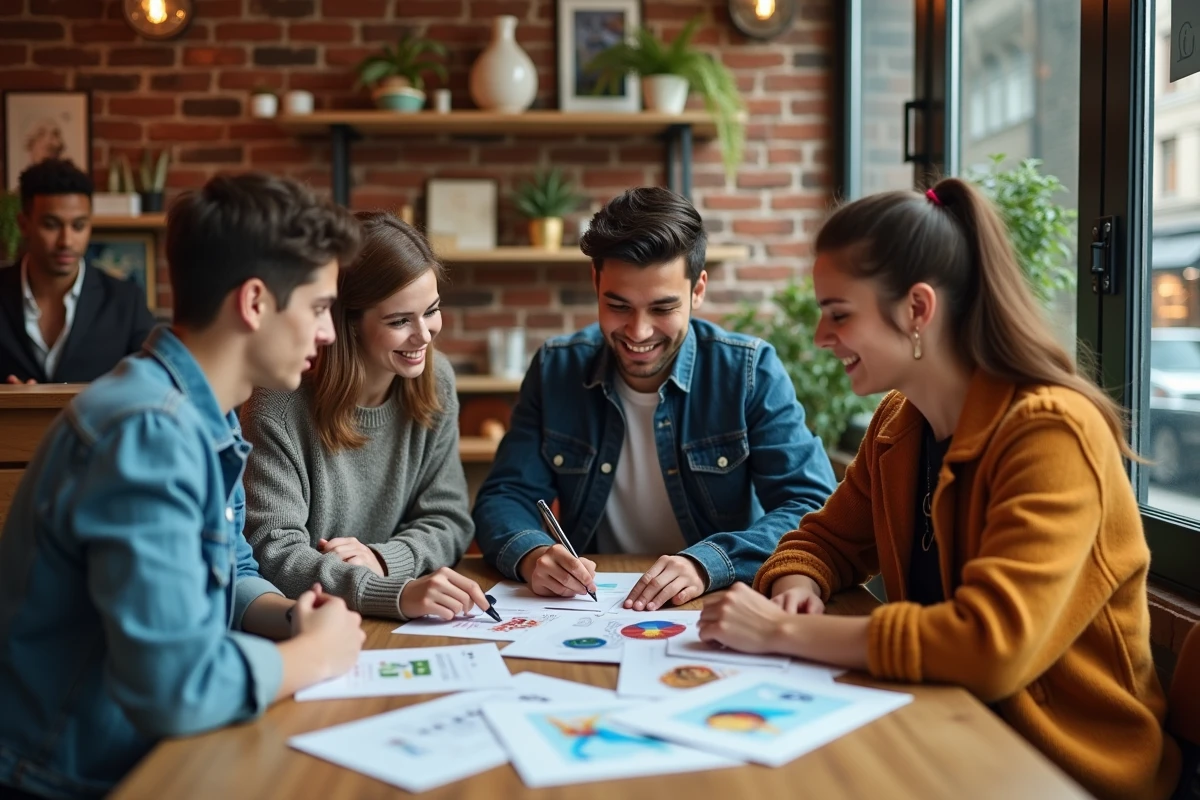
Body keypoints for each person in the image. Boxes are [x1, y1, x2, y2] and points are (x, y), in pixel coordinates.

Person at [696, 179, 1181, 800]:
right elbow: (823, 540)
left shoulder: (1052, 432)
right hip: (940, 728)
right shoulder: (900, 422)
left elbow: (989, 646)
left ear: (917, 309)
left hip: (1061, 771)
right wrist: (797, 588)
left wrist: (780, 633)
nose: (821, 336)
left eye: (839, 313)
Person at [0, 173, 367, 800]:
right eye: (319, 307)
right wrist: (315, 657)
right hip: (70, 779)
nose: (329, 333)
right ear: (254, 302)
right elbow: (176, 687)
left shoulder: (202, 409)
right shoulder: (150, 434)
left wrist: (291, 617)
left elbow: (231, 564)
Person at [473, 187, 837, 612]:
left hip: (716, 601)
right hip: (594, 607)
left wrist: (706, 563)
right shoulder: (557, 368)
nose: (639, 332)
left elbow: (810, 506)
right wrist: (532, 553)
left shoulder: (749, 371)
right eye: (619, 306)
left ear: (697, 290)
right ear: (596, 282)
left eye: (663, 308)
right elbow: (505, 494)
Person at [241, 211, 487, 622]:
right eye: (399, 321)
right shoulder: (279, 404)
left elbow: (449, 519)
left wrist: (384, 558)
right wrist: (388, 591)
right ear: (348, 323)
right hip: (315, 619)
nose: (424, 335)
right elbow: (273, 552)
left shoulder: (436, 378)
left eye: (431, 310)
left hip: (401, 608)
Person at [0, 158, 156, 384]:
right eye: (51, 225)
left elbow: (152, 386)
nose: (66, 241)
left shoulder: (126, 301)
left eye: (78, 226)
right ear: (24, 224)